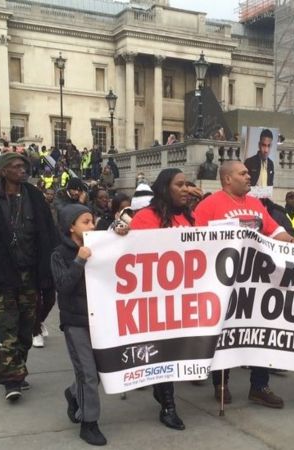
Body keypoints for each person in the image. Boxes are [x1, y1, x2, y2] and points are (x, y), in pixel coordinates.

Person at [193, 161, 294, 409]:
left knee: (260, 331)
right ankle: (220, 382)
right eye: (242, 173)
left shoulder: (255, 205)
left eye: (248, 173)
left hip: (257, 282)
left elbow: (275, 231)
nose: (248, 176)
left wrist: (292, 239)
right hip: (224, 282)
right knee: (225, 332)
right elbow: (194, 240)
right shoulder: (209, 205)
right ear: (227, 179)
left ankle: (259, 385)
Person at [0, 152, 58, 402]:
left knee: (25, 329)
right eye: (16, 166)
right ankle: (11, 380)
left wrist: (49, 273)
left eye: (24, 166)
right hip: (0, 276)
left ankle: (18, 368)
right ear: (4, 170)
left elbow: (48, 234)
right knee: (7, 328)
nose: (22, 170)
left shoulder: (34, 196)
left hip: (29, 274)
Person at [127, 168, 200, 430]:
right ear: (164, 188)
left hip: (182, 298)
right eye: (179, 185)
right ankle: (168, 404)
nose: (185, 189)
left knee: (173, 351)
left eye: (187, 185)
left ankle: (162, 392)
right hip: (155, 299)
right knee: (163, 352)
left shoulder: (191, 218)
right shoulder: (147, 217)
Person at [51, 204, 107, 446]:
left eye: (93, 221)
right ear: (71, 226)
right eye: (86, 222)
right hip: (75, 321)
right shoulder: (59, 255)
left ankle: (74, 393)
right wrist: (78, 261)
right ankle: (89, 423)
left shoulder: (100, 247)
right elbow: (63, 286)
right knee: (87, 374)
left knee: (99, 373)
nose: (92, 226)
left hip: (100, 319)